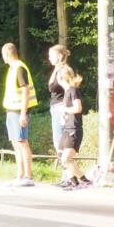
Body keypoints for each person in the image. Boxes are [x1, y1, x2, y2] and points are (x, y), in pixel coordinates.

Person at [1, 42, 37, 187]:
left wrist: (23, 114)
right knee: (16, 143)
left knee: (22, 142)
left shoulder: (19, 68)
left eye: (3, 54)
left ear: (8, 54)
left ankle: (28, 176)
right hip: (11, 110)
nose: (3, 58)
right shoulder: (12, 69)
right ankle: (20, 175)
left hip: (19, 111)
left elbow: (26, 91)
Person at [56, 65, 89, 190]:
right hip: (67, 128)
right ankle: (79, 181)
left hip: (74, 129)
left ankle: (78, 182)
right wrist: (64, 116)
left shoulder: (73, 90)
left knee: (66, 158)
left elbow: (78, 108)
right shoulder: (67, 92)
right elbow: (70, 111)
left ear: (61, 78)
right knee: (62, 156)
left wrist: (64, 109)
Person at [47, 44, 72, 173]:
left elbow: (70, 90)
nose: (49, 58)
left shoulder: (64, 70)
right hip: (56, 107)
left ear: (60, 56)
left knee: (62, 143)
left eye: (51, 55)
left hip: (61, 108)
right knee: (58, 143)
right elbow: (51, 87)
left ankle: (68, 176)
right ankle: (66, 176)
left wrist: (66, 109)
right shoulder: (58, 69)